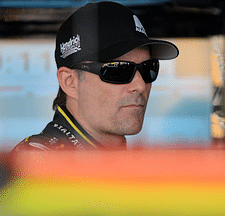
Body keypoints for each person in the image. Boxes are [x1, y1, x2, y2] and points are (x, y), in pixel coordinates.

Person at [13, 1, 178, 151]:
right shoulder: (37, 162)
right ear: (70, 82)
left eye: (148, 68)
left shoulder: (133, 166)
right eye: (117, 70)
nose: (140, 85)